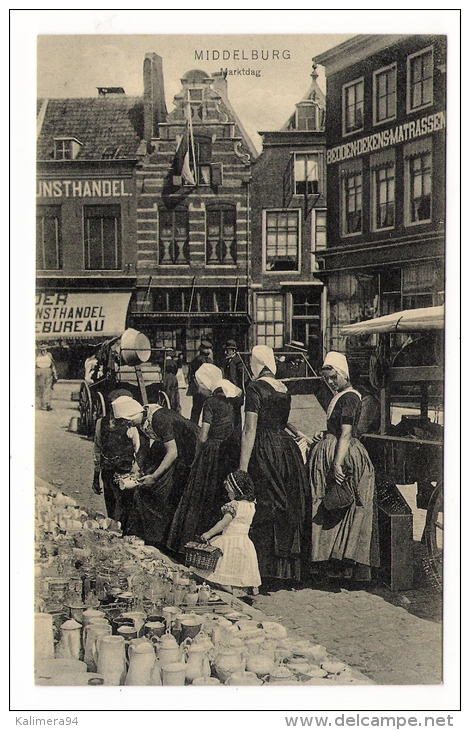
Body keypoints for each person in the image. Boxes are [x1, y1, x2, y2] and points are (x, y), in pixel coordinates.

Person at [238, 344, 311, 583]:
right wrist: (297, 431)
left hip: (264, 448)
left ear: (256, 364)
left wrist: (242, 469)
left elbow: (250, 429)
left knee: (265, 502)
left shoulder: (254, 387)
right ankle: (286, 570)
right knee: (285, 505)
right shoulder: (283, 388)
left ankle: (265, 568)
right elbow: (282, 420)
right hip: (285, 449)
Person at [307, 351, 380, 582]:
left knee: (344, 503)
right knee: (333, 504)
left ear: (343, 374)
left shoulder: (349, 397)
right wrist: (325, 433)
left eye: (333, 377)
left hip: (345, 454)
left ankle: (343, 564)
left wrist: (337, 463)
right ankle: (331, 562)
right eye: (326, 378)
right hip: (335, 446)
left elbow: (347, 433)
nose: (330, 382)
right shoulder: (340, 395)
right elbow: (338, 429)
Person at [166, 364, 241, 555]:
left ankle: (190, 543)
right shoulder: (232, 400)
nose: (198, 388)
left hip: (211, 452)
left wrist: (197, 454)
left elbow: (203, 434)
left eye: (199, 384)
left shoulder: (210, 403)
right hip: (228, 452)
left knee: (198, 496)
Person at [112, 395, 199, 548]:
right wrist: (137, 466)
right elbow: (144, 449)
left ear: (131, 416)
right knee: (144, 489)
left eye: (127, 422)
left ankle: (162, 539)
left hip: (188, 450)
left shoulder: (159, 418)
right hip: (170, 449)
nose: (128, 426)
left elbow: (172, 452)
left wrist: (154, 476)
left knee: (161, 490)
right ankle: (149, 535)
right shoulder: (141, 421)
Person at [199, 470, 261, 597]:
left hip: (229, 540)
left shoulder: (234, 505)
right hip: (244, 541)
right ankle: (242, 588)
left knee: (224, 566)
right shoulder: (251, 505)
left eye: (229, 491)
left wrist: (209, 533)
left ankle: (225, 586)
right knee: (240, 567)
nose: (228, 494)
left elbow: (223, 523)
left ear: (236, 490)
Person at [91, 389, 141, 531]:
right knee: (111, 505)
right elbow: (97, 449)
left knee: (125, 506)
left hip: (125, 472)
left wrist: (135, 468)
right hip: (107, 471)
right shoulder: (101, 423)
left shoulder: (131, 425)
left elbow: (137, 448)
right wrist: (96, 476)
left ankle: (124, 532)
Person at [186, 340, 214, 424]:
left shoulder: (195, 361)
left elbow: (191, 375)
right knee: (207, 411)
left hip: (198, 389)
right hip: (207, 389)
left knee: (196, 410)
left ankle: (193, 428)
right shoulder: (210, 362)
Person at [223, 339, 246, 435]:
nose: (226, 352)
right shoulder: (229, 361)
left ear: (233, 350)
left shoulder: (237, 362)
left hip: (236, 391)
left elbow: (239, 378)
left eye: (228, 350)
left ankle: (237, 434)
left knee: (236, 413)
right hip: (229, 390)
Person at [35, 342, 58, 411]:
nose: (43, 351)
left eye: (45, 349)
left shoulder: (49, 355)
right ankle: (42, 404)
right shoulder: (36, 356)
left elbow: (52, 365)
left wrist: (55, 373)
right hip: (39, 371)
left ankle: (47, 404)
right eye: (42, 349)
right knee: (41, 388)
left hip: (48, 371)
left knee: (47, 389)